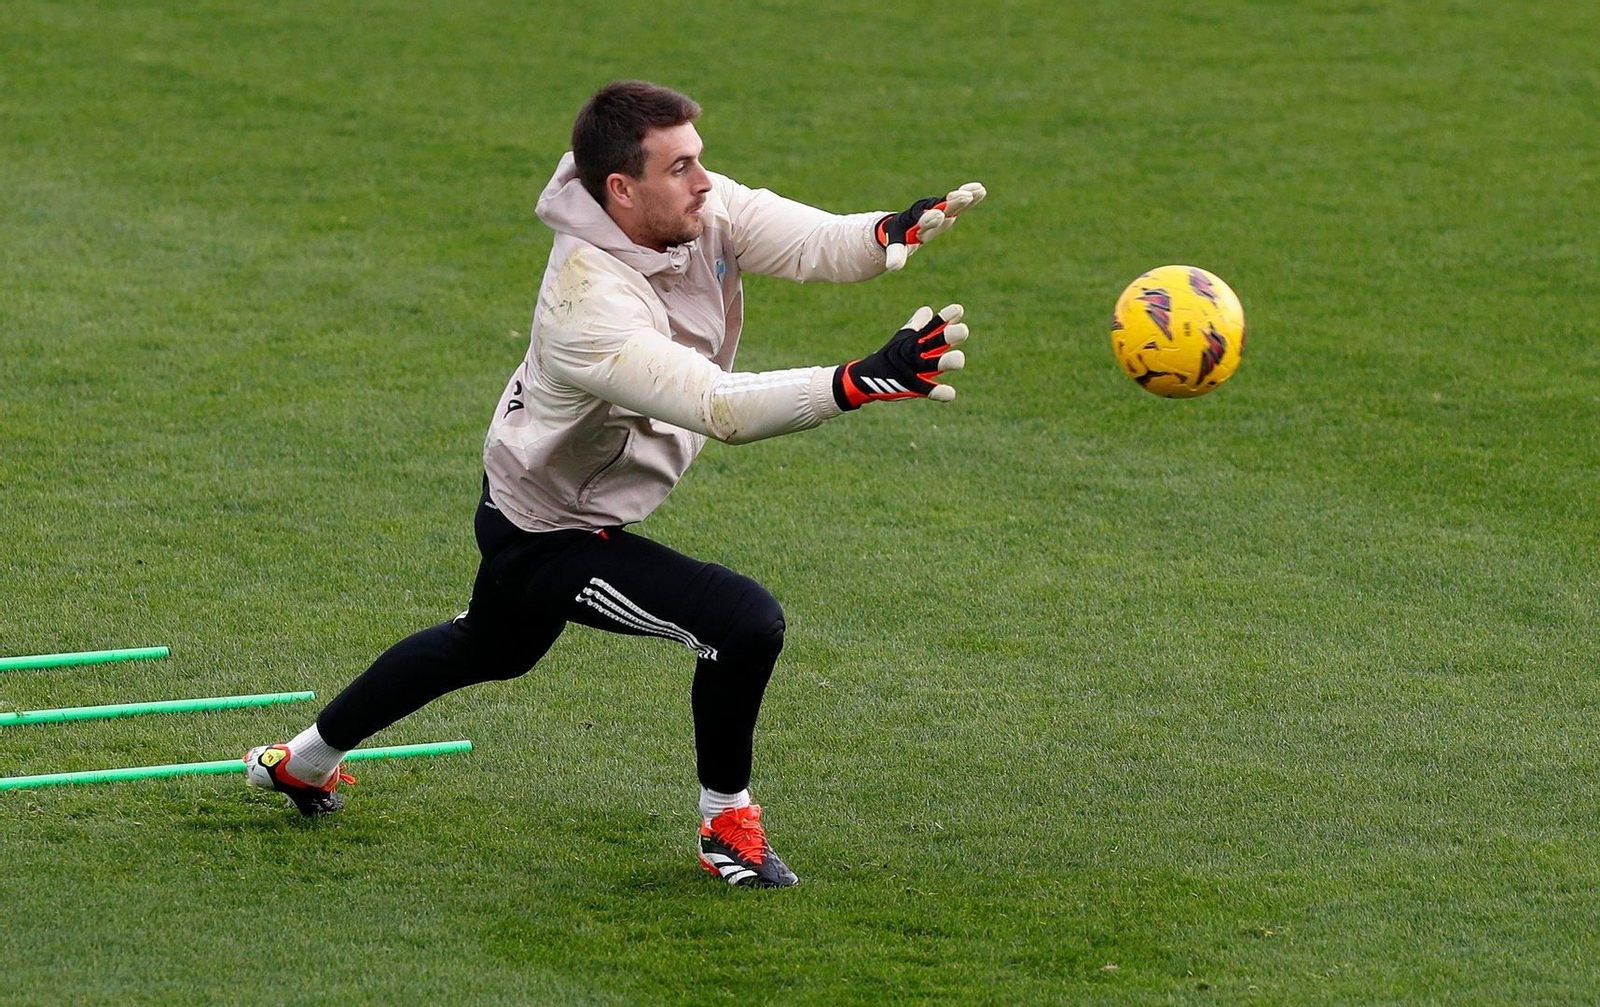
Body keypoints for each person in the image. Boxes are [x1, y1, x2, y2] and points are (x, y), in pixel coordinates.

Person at [243, 80, 985, 888]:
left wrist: (884, 232)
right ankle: (725, 823)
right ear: (622, 190)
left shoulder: (691, 207)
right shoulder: (585, 304)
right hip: (550, 530)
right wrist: (857, 381)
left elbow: (806, 240)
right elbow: (717, 407)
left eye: (701, 159)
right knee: (744, 622)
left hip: (544, 500)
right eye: (681, 167)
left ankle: (300, 762)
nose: (705, 181)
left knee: (487, 647)